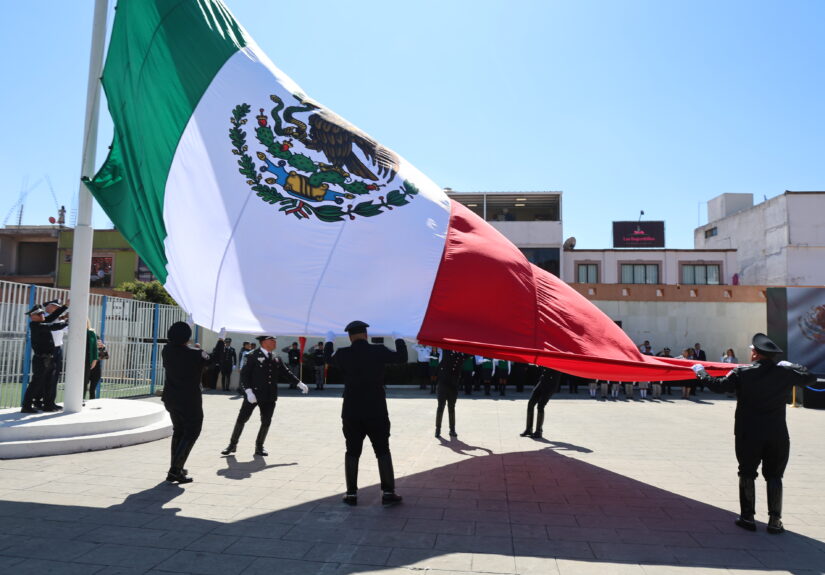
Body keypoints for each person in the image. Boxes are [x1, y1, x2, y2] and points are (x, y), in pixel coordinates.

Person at [693, 333, 815, 534]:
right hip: (777, 434)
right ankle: (775, 521)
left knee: (747, 472)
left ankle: (748, 517)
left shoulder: (743, 372)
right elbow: (809, 378)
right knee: (775, 476)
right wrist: (792, 366)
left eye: (752, 351)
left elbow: (718, 387)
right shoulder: (784, 373)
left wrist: (700, 371)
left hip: (748, 433)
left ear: (756, 354)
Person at [323, 320, 407, 507]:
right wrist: (399, 338)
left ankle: (351, 494)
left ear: (350, 337)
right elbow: (402, 357)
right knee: (382, 450)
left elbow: (327, 358)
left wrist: (329, 341)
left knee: (352, 451)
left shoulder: (343, 354)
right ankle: (388, 492)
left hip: (352, 410)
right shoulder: (378, 350)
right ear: (366, 335)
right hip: (376, 409)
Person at [221, 335, 308, 456]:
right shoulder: (251, 355)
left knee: (266, 421)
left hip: (269, 395)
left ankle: (259, 446)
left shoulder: (275, 357)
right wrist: (248, 392)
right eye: (272, 341)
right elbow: (245, 375)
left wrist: (299, 383)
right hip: (253, 394)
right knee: (242, 419)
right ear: (264, 342)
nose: (274, 342)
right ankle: (232, 444)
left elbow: (286, 372)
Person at [161, 321, 210, 484]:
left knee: (179, 431)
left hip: (171, 398)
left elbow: (179, 348)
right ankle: (175, 470)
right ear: (187, 338)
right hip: (189, 401)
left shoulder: (166, 350)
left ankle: (176, 466)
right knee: (191, 432)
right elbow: (213, 360)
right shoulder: (195, 354)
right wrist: (220, 342)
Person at [21, 301, 68, 413]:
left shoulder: (41, 322)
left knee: (49, 382)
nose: (43, 315)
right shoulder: (36, 325)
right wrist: (67, 322)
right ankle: (26, 406)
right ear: (33, 317)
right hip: (41, 360)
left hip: (49, 358)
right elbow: (54, 326)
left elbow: (53, 316)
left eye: (42, 313)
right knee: (36, 383)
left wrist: (65, 307)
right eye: (40, 314)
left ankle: (48, 405)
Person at [42, 299, 69, 411]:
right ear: (49, 306)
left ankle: (51, 402)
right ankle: (46, 403)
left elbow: (67, 330)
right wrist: (64, 319)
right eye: (56, 307)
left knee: (55, 377)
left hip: (57, 349)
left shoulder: (57, 318)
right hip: (49, 350)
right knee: (48, 377)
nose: (58, 309)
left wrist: (65, 319)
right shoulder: (45, 317)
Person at [520, 367, 561, 439]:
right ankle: (528, 429)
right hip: (542, 382)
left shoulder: (557, 358)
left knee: (540, 406)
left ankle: (538, 431)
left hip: (551, 385)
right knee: (530, 404)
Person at [435, 349, 464, 438]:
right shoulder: (444, 350)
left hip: (453, 385)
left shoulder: (462, 354)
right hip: (443, 384)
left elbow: (472, 351)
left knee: (451, 408)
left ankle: (452, 430)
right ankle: (438, 429)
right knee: (441, 407)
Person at [83, 319, 99, 401]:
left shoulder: (91, 333)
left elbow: (95, 348)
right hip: (78, 360)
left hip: (88, 360)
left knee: (85, 380)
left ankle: (82, 399)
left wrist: (94, 360)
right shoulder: (76, 332)